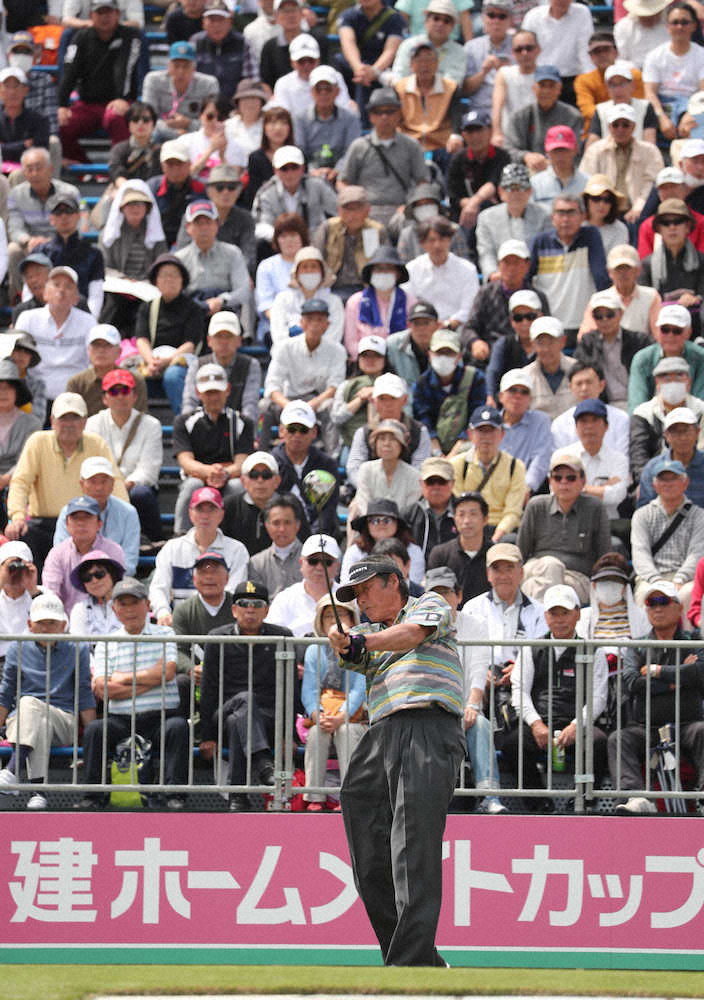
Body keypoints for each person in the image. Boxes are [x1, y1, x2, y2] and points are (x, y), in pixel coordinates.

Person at [328, 555, 465, 966]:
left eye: (366, 588)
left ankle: (409, 963)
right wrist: (342, 640)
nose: (361, 600)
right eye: (354, 595)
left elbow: (409, 635)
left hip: (428, 723)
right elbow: (351, 654)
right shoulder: (367, 631)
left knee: (413, 846)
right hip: (380, 734)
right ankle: (415, 957)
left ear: (394, 581)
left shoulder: (429, 604)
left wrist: (359, 641)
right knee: (369, 854)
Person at [77, 577, 188, 811]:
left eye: (134, 602)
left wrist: (123, 677)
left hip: (161, 715)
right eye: (123, 604)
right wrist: (151, 679)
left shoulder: (165, 634)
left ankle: (173, 795)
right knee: (95, 730)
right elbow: (104, 690)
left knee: (178, 728)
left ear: (147, 605)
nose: (129, 610)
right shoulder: (107, 642)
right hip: (122, 718)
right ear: (115, 609)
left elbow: (167, 672)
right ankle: (93, 796)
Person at [458, 541, 547, 813]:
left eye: (510, 568)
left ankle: (537, 806)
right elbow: (465, 652)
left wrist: (520, 668)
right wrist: (480, 672)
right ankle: (472, 800)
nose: (504, 575)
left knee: (517, 742)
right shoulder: (473, 608)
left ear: (521, 572)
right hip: (480, 689)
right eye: (497, 569)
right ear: (488, 574)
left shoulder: (540, 610)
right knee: (473, 723)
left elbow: (543, 653)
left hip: (524, 691)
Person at [503, 582, 608, 809]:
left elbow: (598, 697)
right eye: (553, 613)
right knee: (513, 744)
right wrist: (536, 724)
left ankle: (583, 801)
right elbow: (519, 690)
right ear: (545, 616)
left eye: (565, 612)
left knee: (599, 742)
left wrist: (576, 725)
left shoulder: (594, 650)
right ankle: (539, 804)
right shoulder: (531, 648)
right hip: (541, 725)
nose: (559, 619)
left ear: (578, 614)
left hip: (577, 725)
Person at [608, 579, 704, 815]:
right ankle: (636, 797)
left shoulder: (695, 641)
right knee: (618, 739)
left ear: (679, 607)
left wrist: (657, 671)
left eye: (663, 601)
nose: (657, 608)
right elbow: (631, 683)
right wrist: (677, 681)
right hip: (646, 726)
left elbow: (700, 672)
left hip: (687, 724)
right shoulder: (638, 645)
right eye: (652, 603)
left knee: (703, 731)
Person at [199, 579, 296, 812]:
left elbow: (291, 689)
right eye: (243, 603)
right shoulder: (217, 638)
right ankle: (263, 763)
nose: (250, 609)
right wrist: (207, 736)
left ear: (267, 610)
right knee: (244, 700)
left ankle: (238, 797)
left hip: (267, 718)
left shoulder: (282, 637)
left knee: (238, 721)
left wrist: (289, 734)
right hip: (224, 712)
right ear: (234, 609)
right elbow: (208, 689)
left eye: (257, 603)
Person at [5, 393, 127, 569]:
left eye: (75, 418)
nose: (69, 424)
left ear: (85, 422)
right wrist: (17, 516)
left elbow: (114, 482)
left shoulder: (97, 443)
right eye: (63, 418)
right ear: (52, 421)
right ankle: (36, 591)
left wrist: (122, 516)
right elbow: (20, 482)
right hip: (45, 523)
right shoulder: (38, 442)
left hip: (84, 520)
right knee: (22, 534)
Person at [0, 591, 95, 811]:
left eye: (52, 622)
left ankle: (12, 771)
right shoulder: (18, 648)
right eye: (41, 623)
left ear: (63, 624)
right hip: (23, 720)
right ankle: (37, 791)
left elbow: (84, 692)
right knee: (32, 710)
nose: (46, 628)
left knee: (29, 704)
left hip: (63, 720)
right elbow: (6, 693)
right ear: (30, 625)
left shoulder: (78, 648)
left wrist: (91, 736)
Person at [517, 451, 610, 603]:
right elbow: (521, 551)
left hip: (576, 576)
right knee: (551, 566)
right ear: (550, 481)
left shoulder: (595, 508)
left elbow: (603, 555)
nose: (564, 482)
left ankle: (540, 621)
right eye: (558, 478)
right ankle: (547, 622)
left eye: (571, 478)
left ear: (583, 480)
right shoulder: (536, 505)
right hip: (537, 569)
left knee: (557, 590)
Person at [301, 593, 366, 811]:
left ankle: (349, 797)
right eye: (328, 616)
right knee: (316, 732)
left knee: (347, 731)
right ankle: (314, 797)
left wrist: (340, 716)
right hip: (325, 713)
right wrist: (318, 714)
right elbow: (309, 689)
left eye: (340, 615)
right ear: (320, 621)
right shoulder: (313, 650)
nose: (334, 621)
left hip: (354, 716)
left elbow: (359, 689)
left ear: (352, 618)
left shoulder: (362, 647)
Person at [173, 363, 254, 534]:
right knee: (191, 486)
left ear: (228, 390)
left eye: (217, 391)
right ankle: (179, 534)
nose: (213, 397)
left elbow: (242, 463)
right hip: (198, 477)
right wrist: (210, 472)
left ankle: (237, 535)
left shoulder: (243, 422)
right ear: (198, 393)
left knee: (237, 487)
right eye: (208, 392)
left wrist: (223, 474)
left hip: (230, 477)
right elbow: (185, 461)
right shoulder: (184, 421)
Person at [150, 485, 249, 624]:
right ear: (190, 513)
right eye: (199, 509)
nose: (205, 515)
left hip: (222, 624)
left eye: (212, 509)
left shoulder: (236, 550)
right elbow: (159, 587)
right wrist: (163, 613)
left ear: (221, 514)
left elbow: (233, 591)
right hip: (179, 623)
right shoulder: (172, 548)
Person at [57, 0, 141, 163]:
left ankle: (121, 166)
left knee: (116, 117)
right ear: (91, 16)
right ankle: (84, 168)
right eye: (99, 13)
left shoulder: (130, 36)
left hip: (118, 102)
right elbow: (69, 71)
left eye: (108, 12)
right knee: (62, 125)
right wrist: (62, 105)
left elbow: (126, 68)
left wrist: (122, 99)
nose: (104, 17)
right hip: (87, 104)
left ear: (117, 14)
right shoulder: (80, 37)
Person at [84, 373, 164, 543]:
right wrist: (109, 486)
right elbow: (93, 463)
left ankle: (152, 541)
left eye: (125, 391)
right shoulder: (93, 424)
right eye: (113, 392)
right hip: (102, 484)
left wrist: (122, 486)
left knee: (141, 494)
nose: (120, 396)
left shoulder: (151, 425)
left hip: (135, 487)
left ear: (134, 396)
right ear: (105, 398)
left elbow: (148, 471)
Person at [263, 298, 347, 454]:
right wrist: (290, 406)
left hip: (318, 401)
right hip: (288, 400)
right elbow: (272, 386)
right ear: (301, 323)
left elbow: (335, 386)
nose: (314, 324)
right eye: (309, 319)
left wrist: (311, 405)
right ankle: (260, 455)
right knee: (264, 406)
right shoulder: (285, 348)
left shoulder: (337, 350)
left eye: (320, 320)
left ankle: (332, 456)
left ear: (327, 325)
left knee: (331, 407)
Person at [338, 87, 429, 226]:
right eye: (378, 112)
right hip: (367, 211)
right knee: (369, 237)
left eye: (390, 111)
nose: (384, 117)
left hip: (401, 209)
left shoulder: (411, 145)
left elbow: (422, 182)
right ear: (370, 116)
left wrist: (411, 205)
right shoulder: (359, 146)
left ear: (399, 114)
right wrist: (356, 205)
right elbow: (343, 182)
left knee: (411, 227)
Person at [529, 196, 610, 347]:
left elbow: (601, 278)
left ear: (583, 216)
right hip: (549, 325)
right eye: (560, 213)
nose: (565, 219)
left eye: (571, 213)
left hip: (585, 324)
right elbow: (526, 279)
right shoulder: (540, 242)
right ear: (553, 217)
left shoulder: (591, 236)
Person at [134, 252, 206, 416]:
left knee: (173, 376)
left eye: (174, 275)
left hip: (181, 364)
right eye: (164, 276)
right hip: (153, 365)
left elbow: (191, 344)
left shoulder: (193, 309)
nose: (169, 280)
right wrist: (151, 361)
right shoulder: (148, 307)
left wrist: (167, 361)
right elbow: (141, 339)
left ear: (182, 280)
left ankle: (186, 422)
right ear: (156, 281)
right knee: (133, 379)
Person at [6, 147, 80, 300]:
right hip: (30, 246)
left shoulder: (70, 192)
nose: (34, 173)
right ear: (24, 173)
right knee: (13, 250)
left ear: (51, 169)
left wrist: (52, 242)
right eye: (29, 169)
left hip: (62, 243)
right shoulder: (15, 194)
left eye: (39, 168)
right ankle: (21, 298)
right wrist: (28, 240)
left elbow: (78, 225)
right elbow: (15, 227)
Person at [16, 265, 94, 410]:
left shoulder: (89, 322)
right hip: (34, 396)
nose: (61, 290)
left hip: (76, 398)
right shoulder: (27, 318)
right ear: (45, 293)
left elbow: (93, 362)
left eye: (68, 286)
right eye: (56, 285)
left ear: (76, 298)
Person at [631, 456, 704, 608]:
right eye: (663, 479)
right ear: (654, 485)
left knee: (688, 594)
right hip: (651, 578)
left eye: (674, 478)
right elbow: (640, 553)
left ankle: (692, 633)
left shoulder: (699, 515)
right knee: (646, 593)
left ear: (685, 483)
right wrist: (657, 582)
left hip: (687, 579)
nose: (668, 484)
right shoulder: (642, 515)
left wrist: (680, 579)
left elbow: (697, 553)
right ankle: (645, 633)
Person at [52, 453, 139, 576]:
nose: (99, 487)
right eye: (93, 481)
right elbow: (61, 556)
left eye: (104, 481)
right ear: (82, 484)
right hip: (73, 579)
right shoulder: (67, 512)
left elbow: (129, 563)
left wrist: (103, 581)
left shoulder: (128, 513)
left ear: (113, 484)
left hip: (115, 581)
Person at [465, 238, 549, 361]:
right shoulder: (486, 293)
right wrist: (475, 342)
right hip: (491, 355)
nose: (511, 268)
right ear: (499, 265)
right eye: (506, 263)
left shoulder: (538, 296)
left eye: (516, 262)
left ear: (527, 265)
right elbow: (469, 327)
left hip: (529, 357)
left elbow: (547, 330)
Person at [450, 405, 526, 541]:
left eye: (491, 431)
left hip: (500, 528)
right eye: (481, 431)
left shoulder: (515, 466)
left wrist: (495, 539)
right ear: (470, 434)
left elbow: (513, 512)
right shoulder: (458, 465)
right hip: (468, 526)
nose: (486, 437)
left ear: (502, 434)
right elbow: (459, 506)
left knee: (511, 541)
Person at [42, 494, 125, 615]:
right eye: (75, 518)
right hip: (67, 625)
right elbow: (51, 594)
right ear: (67, 524)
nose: (81, 523)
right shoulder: (57, 553)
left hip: (110, 619)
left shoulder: (113, 551)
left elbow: (119, 590)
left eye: (87, 517)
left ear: (99, 524)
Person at [579, 104, 663, 224]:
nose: (620, 129)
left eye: (625, 125)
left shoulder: (650, 151)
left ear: (633, 127)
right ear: (609, 127)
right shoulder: (595, 150)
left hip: (638, 213)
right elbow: (587, 181)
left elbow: (651, 184)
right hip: (602, 210)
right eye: (616, 125)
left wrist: (638, 208)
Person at [346, 371, 432, 486]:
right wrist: (370, 488)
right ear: (374, 401)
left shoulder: (419, 431)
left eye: (393, 398)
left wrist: (396, 489)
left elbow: (421, 468)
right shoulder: (363, 433)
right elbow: (354, 468)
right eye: (382, 399)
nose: (388, 404)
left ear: (404, 400)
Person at [271, 400, 340, 536]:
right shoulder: (270, 463)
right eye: (292, 429)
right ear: (281, 431)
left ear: (314, 432)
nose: (297, 435)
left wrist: (313, 540)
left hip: (318, 537)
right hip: (278, 534)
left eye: (303, 430)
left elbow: (327, 510)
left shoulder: (327, 464)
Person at [175, 199, 252, 320]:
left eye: (208, 222)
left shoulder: (233, 253)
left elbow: (243, 290)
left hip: (226, 311)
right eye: (198, 223)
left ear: (217, 224)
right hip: (190, 315)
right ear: (188, 227)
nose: (204, 228)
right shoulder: (179, 258)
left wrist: (221, 301)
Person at [413, 328, 487, 454]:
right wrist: (437, 453)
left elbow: (475, 417)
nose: (443, 357)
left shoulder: (475, 378)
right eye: (439, 352)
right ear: (430, 355)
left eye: (449, 353)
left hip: (466, 443)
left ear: (458, 356)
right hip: (432, 445)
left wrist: (454, 454)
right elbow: (424, 420)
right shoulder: (422, 383)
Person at [630, 356, 704, 482]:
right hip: (656, 479)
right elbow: (639, 458)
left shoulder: (701, 410)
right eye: (666, 378)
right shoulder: (643, 413)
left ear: (689, 382)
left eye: (679, 376)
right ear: (657, 383)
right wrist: (654, 481)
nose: (673, 382)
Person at [574, 289, 651, 409]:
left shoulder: (639, 341)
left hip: (637, 403)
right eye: (599, 316)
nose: (605, 320)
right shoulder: (588, 342)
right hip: (602, 406)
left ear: (620, 314)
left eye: (609, 315)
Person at [639, 200, 704, 340]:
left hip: (696, 331)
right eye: (666, 223)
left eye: (678, 221)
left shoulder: (702, 261)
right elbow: (644, 302)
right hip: (660, 333)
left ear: (688, 227)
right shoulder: (646, 265)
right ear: (659, 229)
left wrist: (696, 298)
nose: (672, 227)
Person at [221, 451, 309, 555]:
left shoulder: (291, 504)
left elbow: (305, 544)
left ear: (277, 481)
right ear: (243, 481)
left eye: (266, 475)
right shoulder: (229, 505)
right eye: (254, 475)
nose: (260, 480)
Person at [475, 166, 551, 282]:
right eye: (510, 188)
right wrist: (492, 274)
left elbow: (548, 251)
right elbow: (486, 252)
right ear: (501, 191)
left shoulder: (546, 215)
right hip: (501, 280)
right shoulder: (486, 218)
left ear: (529, 191)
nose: (516, 193)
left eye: (521, 187)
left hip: (537, 279)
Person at [182, 311, 261, 424]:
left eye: (229, 336)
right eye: (218, 336)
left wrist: (245, 435)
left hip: (237, 430)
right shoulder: (197, 365)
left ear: (239, 340)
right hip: (202, 430)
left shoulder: (250, 365)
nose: (224, 342)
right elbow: (190, 403)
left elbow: (250, 405)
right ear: (209, 340)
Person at [642, 1, 704, 144]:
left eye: (685, 22)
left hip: (692, 104)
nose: (679, 27)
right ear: (667, 26)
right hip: (661, 104)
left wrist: (691, 115)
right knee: (644, 116)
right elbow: (650, 92)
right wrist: (661, 117)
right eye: (675, 22)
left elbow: (703, 93)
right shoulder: (654, 55)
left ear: (694, 26)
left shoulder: (702, 55)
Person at [403, 217, 479, 331]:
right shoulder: (411, 269)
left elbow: (469, 308)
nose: (437, 245)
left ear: (450, 240)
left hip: (456, 329)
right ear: (422, 243)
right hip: (421, 328)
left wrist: (448, 324)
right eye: (431, 240)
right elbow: (408, 306)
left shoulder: (467, 269)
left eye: (442, 239)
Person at [312, 187, 387, 304]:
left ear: (368, 210)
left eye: (358, 208)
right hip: (332, 287)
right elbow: (315, 258)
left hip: (367, 288)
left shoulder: (377, 230)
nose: (353, 214)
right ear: (339, 210)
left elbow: (385, 263)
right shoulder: (327, 228)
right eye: (348, 209)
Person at [558, 399, 629, 521]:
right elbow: (557, 493)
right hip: (570, 521)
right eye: (583, 421)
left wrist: (577, 488)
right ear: (576, 427)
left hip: (607, 522)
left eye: (595, 420)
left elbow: (618, 495)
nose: (589, 426)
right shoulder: (562, 455)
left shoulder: (618, 459)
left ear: (606, 426)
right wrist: (602, 489)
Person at [252, 145, 338, 245]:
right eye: (284, 169)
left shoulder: (318, 185)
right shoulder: (266, 193)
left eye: (294, 167)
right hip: (279, 247)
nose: (290, 173)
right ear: (275, 170)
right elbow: (260, 226)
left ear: (303, 168)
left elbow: (338, 210)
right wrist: (287, 239)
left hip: (316, 245)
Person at [36, 193, 105, 318]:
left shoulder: (94, 254)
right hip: (44, 314)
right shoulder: (40, 252)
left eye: (69, 211)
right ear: (51, 218)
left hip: (81, 314)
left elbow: (96, 295)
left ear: (78, 216)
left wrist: (90, 320)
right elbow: (31, 290)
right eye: (58, 212)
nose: (64, 216)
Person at [504, 66, 583, 172]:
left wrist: (552, 160)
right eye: (542, 85)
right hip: (526, 173)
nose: (546, 91)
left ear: (559, 89)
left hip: (562, 171)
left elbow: (576, 150)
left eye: (551, 86)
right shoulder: (519, 116)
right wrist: (526, 156)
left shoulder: (572, 116)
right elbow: (508, 148)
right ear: (534, 88)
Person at [628, 302, 704, 413]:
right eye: (665, 329)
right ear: (657, 331)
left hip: (692, 423)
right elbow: (636, 402)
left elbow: (701, 399)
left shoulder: (701, 357)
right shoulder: (642, 359)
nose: (670, 335)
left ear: (689, 333)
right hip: (652, 421)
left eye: (677, 330)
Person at [142, 39, 220, 143]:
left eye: (186, 66)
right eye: (176, 65)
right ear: (168, 66)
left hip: (197, 135)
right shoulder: (153, 80)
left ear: (194, 68)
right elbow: (147, 118)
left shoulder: (209, 83)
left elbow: (213, 121)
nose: (180, 71)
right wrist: (176, 133)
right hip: (161, 133)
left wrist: (188, 123)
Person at [294, 66, 363, 183]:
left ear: (337, 91)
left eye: (328, 89)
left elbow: (352, 151)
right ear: (311, 92)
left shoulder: (351, 118)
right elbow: (300, 150)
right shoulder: (300, 118)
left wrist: (338, 170)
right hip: (307, 177)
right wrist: (312, 171)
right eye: (318, 89)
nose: (323, 93)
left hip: (344, 177)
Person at [395, 40, 463, 156]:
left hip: (441, 144)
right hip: (408, 144)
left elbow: (456, 116)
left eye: (429, 60)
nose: (424, 65)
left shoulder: (451, 87)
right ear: (411, 65)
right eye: (419, 60)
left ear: (437, 64)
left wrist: (456, 136)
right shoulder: (399, 88)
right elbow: (395, 119)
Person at [580, 243, 660, 339]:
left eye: (627, 268)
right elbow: (585, 336)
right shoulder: (597, 299)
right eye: (618, 269)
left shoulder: (651, 296)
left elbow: (659, 334)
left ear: (638, 271)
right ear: (609, 272)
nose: (623, 273)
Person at [446, 109, 511, 229]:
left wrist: (475, 202)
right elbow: (453, 196)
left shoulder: (503, 157)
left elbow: (495, 184)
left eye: (479, 130)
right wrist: (471, 206)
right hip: (464, 216)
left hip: (497, 214)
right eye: (470, 131)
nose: (475, 136)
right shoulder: (457, 159)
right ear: (463, 135)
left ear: (490, 131)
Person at [426, 490, 493, 606]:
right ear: (454, 519)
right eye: (461, 514)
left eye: (473, 514)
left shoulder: (494, 554)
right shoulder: (440, 554)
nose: (467, 521)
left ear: (485, 519)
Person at [267, 534, 342, 635]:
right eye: (313, 561)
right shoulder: (284, 598)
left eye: (327, 562)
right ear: (301, 563)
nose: (319, 567)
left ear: (337, 566)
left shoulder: (347, 597)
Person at [552, 360, 630, 457]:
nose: (584, 388)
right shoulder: (560, 424)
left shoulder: (621, 418)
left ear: (601, 386)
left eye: (589, 382)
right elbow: (560, 461)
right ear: (571, 388)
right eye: (579, 384)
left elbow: (623, 458)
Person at [269, 246, 345, 346]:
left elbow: (334, 336)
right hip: (289, 357)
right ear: (296, 273)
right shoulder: (282, 300)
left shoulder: (334, 302)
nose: (309, 271)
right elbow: (279, 335)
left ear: (322, 273)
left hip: (324, 357)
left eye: (314, 266)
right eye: (304, 267)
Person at [66, 324, 147, 417]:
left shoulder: (135, 380)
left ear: (119, 352)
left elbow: (140, 416)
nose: (101, 350)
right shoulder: (77, 383)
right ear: (88, 350)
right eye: (96, 345)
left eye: (108, 345)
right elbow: (71, 418)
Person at [521, 0, 592, 106]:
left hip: (573, 80)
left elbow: (585, 51)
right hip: (540, 79)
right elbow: (524, 48)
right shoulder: (533, 16)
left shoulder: (582, 12)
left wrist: (590, 83)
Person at [575, 32, 646, 137]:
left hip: (631, 128)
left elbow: (639, 106)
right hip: (598, 132)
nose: (602, 55)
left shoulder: (634, 76)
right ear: (590, 57)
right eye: (596, 52)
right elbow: (587, 111)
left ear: (616, 52)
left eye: (606, 50)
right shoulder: (583, 81)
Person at [337, 0, 404, 111]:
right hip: (355, 68)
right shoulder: (348, 15)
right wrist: (358, 68)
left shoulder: (394, 18)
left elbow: (390, 50)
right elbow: (348, 43)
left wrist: (373, 71)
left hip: (381, 68)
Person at [498, 368, 553, 500]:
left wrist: (526, 488)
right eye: (512, 390)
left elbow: (540, 459)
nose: (518, 396)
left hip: (527, 493)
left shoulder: (540, 421)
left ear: (530, 399)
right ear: (501, 396)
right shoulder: (490, 423)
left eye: (524, 392)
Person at [344, 498, 425, 586]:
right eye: (375, 520)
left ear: (397, 523)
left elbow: (415, 584)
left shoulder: (413, 550)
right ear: (367, 525)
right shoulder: (354, 552)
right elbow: (347, 584)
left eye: (387, 520)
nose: (381, 524)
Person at [579, 552, 649, 651]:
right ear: (594, 585)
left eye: (615, 580)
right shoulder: (583, 617)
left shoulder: (642, 617)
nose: (610, 585)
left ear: (624, 586)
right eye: (603, 581)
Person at [192, 0, 259, 102]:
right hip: (201, 106)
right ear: (203, 23)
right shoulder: (195, 43)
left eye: (221, 20)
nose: (217, 25)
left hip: (235, 106)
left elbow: (251, 81)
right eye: (212, 20)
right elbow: (188, 80)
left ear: (230, 22)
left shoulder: (243, 43)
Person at [331, 335, 388, 454]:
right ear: (359, 359)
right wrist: (361, 399)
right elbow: (336, 417)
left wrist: (377, 391)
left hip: (388, 441)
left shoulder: (396, 383)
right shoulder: (346, 385)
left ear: (384, 359)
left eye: (376, 356)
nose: (370, 360)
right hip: (352, 445)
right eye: (365, 356)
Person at [354, 418, 423, 517]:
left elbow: (409, 512)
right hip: (370, 524)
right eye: (382, 439)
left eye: (393, 439)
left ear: (401, 445)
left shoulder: (414, 476)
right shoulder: (366, 469)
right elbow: (363, 504)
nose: (387, 444)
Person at [390, 0, 467, 87]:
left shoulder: (459, 52)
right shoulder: (409, 45)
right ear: (426, 21)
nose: (440, 24)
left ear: (453, 26)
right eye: (436, 18)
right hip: (407, 95)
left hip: (442, 98)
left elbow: (453, 84)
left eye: (446, 21)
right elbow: (398, 77)